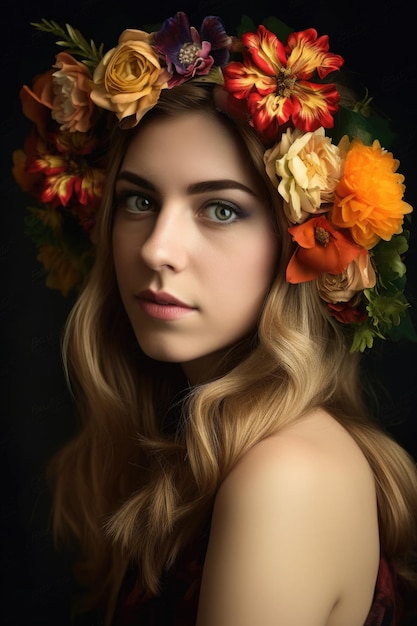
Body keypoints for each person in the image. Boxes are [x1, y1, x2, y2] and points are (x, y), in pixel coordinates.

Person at [12, 10, 417, 626]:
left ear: (300, 240)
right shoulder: (197, 446)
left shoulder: (286, 477)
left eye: (220, 210)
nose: (156, 249)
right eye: (140, 201)